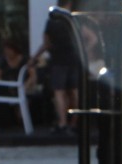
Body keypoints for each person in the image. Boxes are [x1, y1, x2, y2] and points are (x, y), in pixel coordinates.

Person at [28, 0, 80, 134]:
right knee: (74, 91)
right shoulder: (73, 20)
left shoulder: (52, 22)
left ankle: (62, 122)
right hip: (73, 59)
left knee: (59, 92)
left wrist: (34, 58)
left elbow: (46, 43)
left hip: (58, 60)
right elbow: (91, 38)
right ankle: (75, 122)